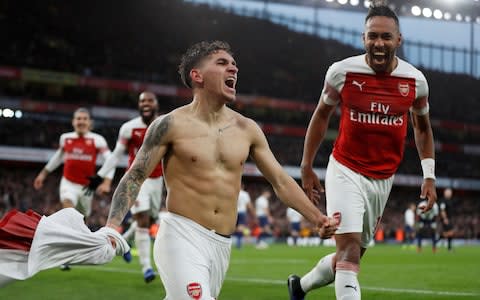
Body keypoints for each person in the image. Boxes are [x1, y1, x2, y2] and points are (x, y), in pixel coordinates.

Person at [104, 40, 338, 299]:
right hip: (180, 235)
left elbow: (281, 181)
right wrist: (113, 225)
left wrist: (318, 218)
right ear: (197, 75)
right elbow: (135, 176)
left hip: (221, 245)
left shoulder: (247, 129)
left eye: (234, 65)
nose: (234, 69)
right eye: (222, 63)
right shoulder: (169, 124)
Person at [287, 3, 437, 300]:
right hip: (345, 169)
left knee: (350, 256)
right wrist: (306, 166)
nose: (378, 43)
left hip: (383, 179)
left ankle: (299, 287)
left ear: (398, 40)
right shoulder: (342, 72)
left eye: (385, 37)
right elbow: (321, 116)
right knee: (350, 252)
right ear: (363, 38)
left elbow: (422, 128)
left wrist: (429, 175)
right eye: (372, 36)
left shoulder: (415, 81)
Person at [85, 91, 163, 283]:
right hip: (136, 180)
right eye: (142, 101)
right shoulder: (129, 128)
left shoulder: (164, 125)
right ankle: (147, 267)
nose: (145, 104)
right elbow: (116, 154)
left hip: (158, 180)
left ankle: (126, 240)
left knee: (151, 219)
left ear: (156, 104)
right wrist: (100, 175)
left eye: (149, 101)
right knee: (143, 219)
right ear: (138, 105)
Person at [33, 107, 114, 220]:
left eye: (84, 119)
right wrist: (43, 174)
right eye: (78, 119)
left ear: (90, 122)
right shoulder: (65, 138)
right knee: (68, 209)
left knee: (83, 219)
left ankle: (81, 235)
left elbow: (111, 160)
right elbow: (57, 158)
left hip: (87, 187)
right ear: (73, 121)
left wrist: (107, 182)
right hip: (68, 182)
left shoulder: (97, 140)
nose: (81, 121)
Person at [234, 182, 254, 249]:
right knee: (241, 227)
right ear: (243, 187)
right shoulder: (245, 194)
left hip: (235, 212)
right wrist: (252, 213)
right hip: (242, 212)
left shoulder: (234, 193)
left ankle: (238, 242)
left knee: (235, 228)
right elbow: (249, 204)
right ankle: (240, 243)